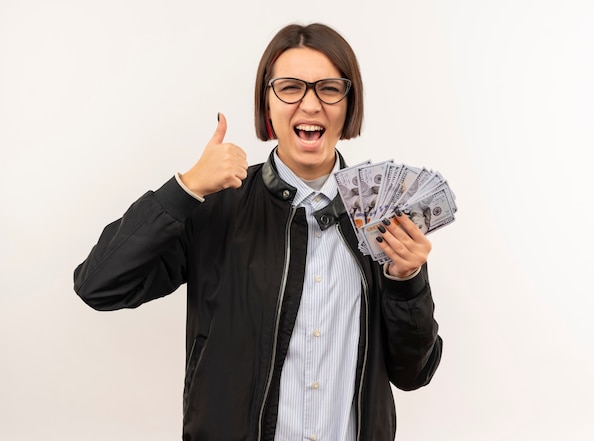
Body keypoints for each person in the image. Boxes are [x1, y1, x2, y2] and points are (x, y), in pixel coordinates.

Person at [74, 22, 443, 441]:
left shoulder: (381, 217)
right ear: (267, 104)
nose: (310, 104)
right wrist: (185, 188)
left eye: (329, 88)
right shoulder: (217, 205)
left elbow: (414, 373)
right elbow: (98, 285)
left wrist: (407, 282)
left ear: (348, 103)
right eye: (290, 87)